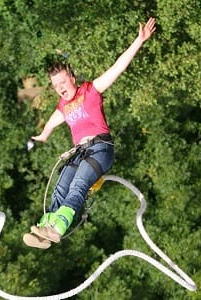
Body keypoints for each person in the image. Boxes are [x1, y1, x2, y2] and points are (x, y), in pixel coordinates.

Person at [23, 17, 156, 249]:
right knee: (60, 188)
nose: (60, 88)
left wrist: (139, 40)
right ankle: (47, 229)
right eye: (56, 86)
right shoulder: (63, 107)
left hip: (99, 149)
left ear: (73, 79)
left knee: (77, 188)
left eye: (63, 82)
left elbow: (117, 67)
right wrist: (41, 137)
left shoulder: (91, 91)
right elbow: (50, 125)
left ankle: (57, 227)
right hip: (79, 153)